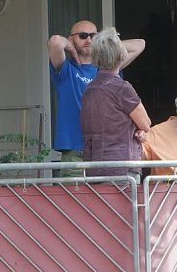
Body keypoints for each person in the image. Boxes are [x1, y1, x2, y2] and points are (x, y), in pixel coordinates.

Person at [48, 19, 144, 176]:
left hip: (107, 150)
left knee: (106, 200)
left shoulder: (109, 68)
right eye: (83, 36)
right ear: (71, 39)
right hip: (75, 150)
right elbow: (55, 42)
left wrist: (106, 45)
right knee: (73, 199)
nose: (89, 40)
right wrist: (71, 48)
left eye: (94, 36)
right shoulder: (67, 70)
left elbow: (140, 44)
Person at [79, 28, 151, 177]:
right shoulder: (122, 88)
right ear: (120, 55)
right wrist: (139, 130)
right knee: (125, 201)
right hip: (122, 166)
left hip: (94, 166)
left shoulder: (89, 89)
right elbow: (145, 123)